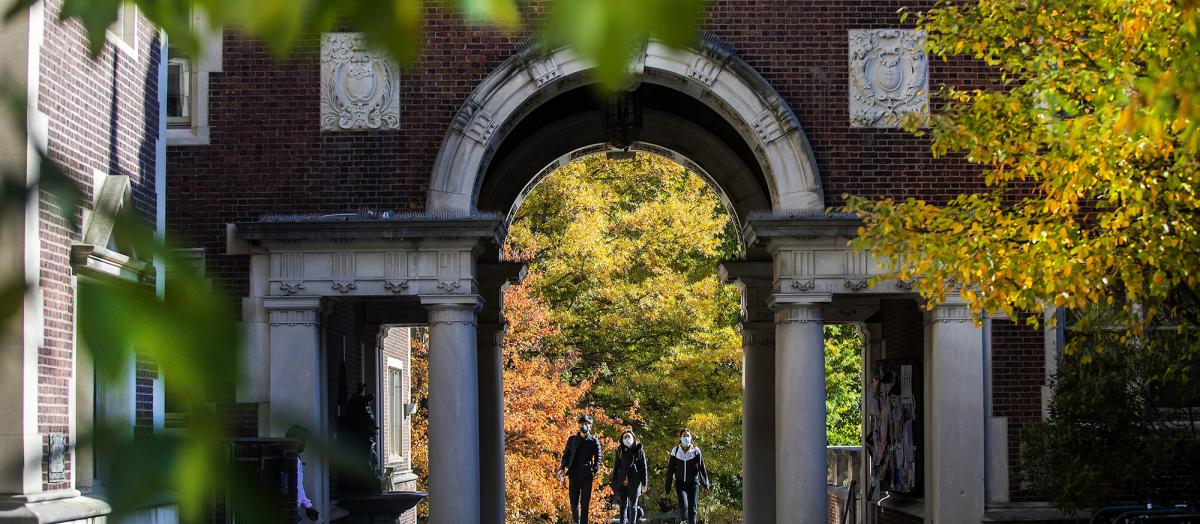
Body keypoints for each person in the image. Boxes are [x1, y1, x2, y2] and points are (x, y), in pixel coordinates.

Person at [557, 414, 602, 524]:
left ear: (590, 426)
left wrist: (593, 470)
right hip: (574, 474)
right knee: (573, 503)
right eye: (582, 423)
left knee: (585, 503)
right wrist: (562, 468)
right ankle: (576, 522)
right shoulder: (572, 439)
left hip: (587, 475)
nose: (584, 425)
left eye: (586, 423)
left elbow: (598, 458)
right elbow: (566, 455)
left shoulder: (594, 441)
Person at [664, 428, 709, 524]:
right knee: (684, 506)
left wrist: (705, 483)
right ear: (680, 438)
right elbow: (670, 470)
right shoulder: (675, 451)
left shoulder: (696, 450)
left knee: (693, 508)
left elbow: (702, 468)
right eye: (684, 436)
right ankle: (683, 521)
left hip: (693, 483)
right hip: (680, 483)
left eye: (688, 436)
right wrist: (667, 486)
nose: (686, 438)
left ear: (691, 438)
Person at [610, 429, 648, 524]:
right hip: (622, 481)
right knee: (623, 505)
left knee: (633, 505)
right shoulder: (619, 451)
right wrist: (614, 483)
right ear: (622, 440)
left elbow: (644, 468)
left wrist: (644, 483)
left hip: (635, 481)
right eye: (625, 437)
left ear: (633, 438)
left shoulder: (639, 450)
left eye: (629, 437)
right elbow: (616, 467)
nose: (627, 438)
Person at [285, 425, 321, 522]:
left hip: (294, 510)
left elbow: (299, 486)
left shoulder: (295, 458)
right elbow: (296, 485)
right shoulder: (292, 459)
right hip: (291, 511)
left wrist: (308, 505)